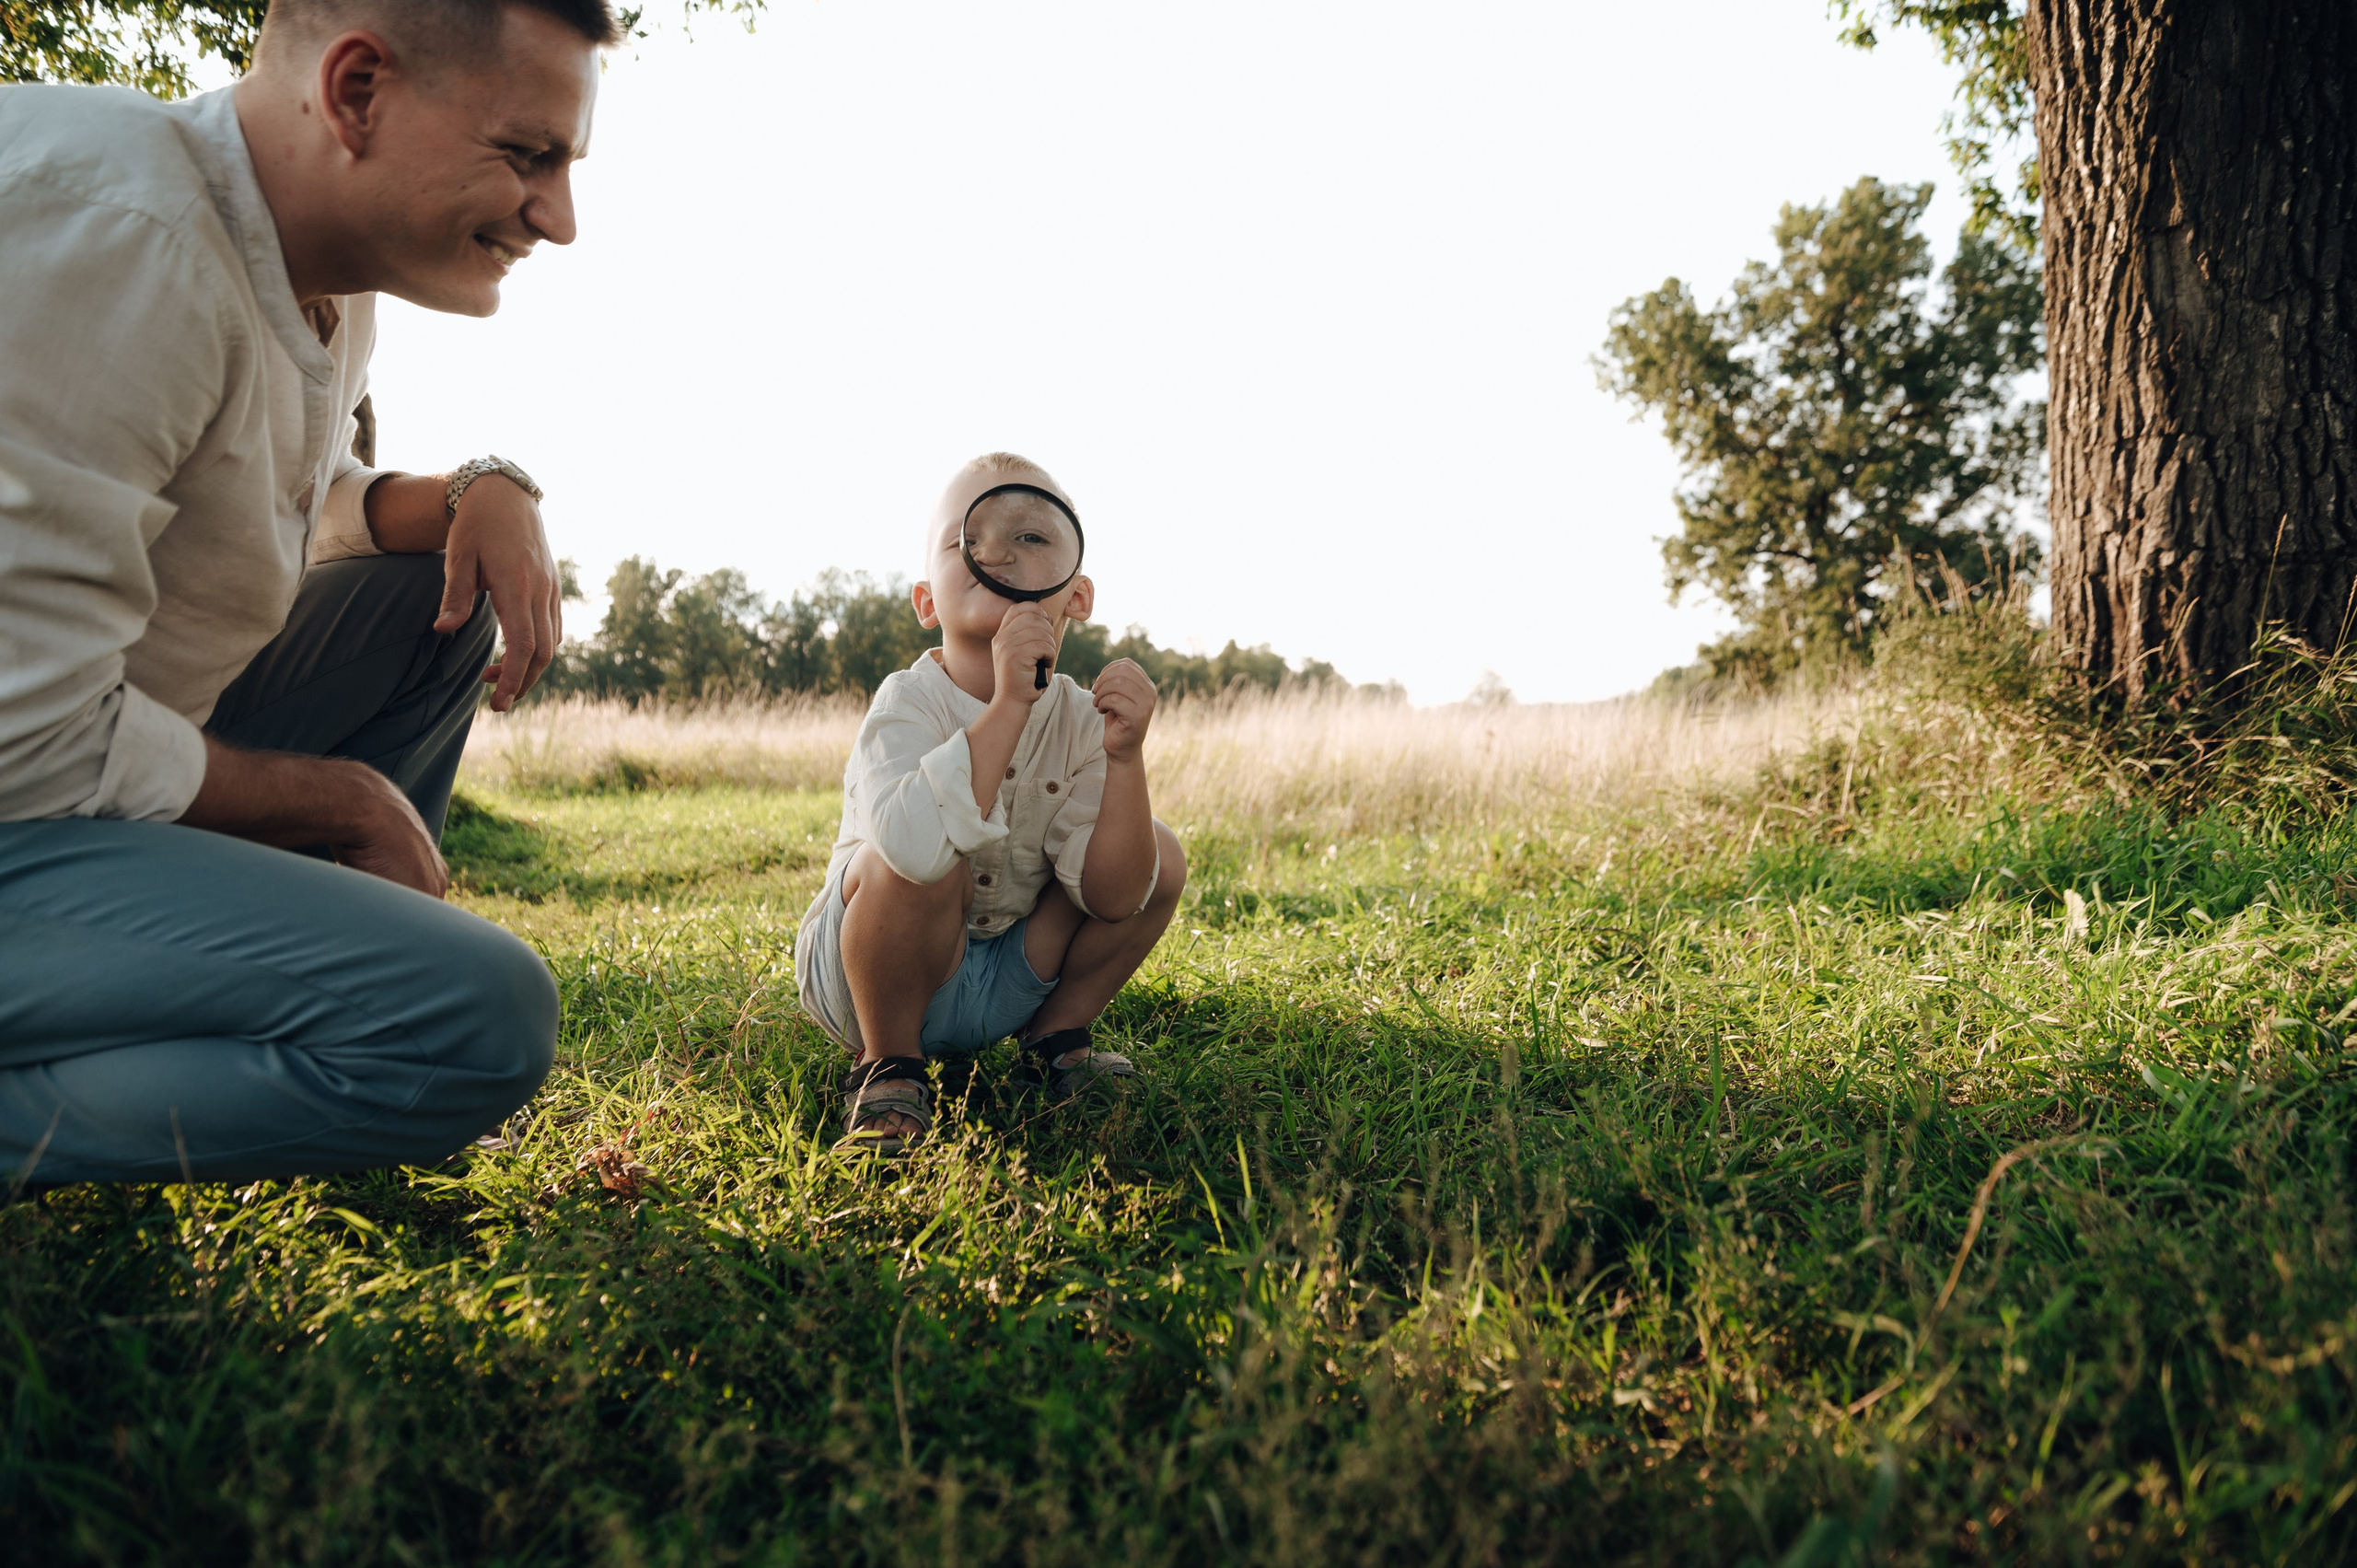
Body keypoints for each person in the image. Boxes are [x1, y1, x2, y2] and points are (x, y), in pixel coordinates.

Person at [0, 0, 621, 1189]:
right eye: (527, 155)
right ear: (356, 93)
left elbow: (286, 496)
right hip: (23, 773)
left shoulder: (318, 277)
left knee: (423, 600)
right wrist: (335, 799)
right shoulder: (125, 240)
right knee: (478, 1017)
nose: (559, 218)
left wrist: (476, 492)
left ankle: (315, 987)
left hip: (75, 761)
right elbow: (19, 727)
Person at [795, 454, 1189, 1154]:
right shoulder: (906, 703)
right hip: (870, 979)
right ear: (927, 603)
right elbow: (913, 850)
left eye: (1030, 537)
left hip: (1007, 973)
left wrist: (1126, 761)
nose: (999, 553)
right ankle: (889, 1064)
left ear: (1076, 595)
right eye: (968, 540)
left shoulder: (1083, 722)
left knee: (1161, 853)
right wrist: (1009, 704)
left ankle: (1054, 1035)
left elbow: (1116, 896)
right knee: (922, 852)